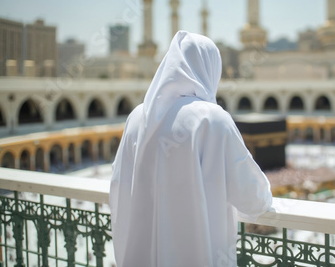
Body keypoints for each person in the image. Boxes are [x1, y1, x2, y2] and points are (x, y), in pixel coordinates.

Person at [109, 31, 273, 267]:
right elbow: (253, 199)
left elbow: (118, 186)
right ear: (210, 70)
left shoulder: (137, 117)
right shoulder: (212, 119)